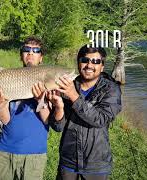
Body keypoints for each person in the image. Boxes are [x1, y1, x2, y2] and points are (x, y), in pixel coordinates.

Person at [47, 45, 122, 180]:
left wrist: (74, 96)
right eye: (85, 60)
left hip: (96, 164)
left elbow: (101, 119)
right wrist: (58, 106)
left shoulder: (111, 89)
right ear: (78, 63)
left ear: (102, 66)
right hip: (68, 161)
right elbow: (58, 127)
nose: (89, 65)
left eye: (96, 61)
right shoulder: (67, 86)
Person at [0, 36, 50, 180]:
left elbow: (48, 121)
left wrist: (41, 100)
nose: (31, 53)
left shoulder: (50, 82)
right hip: (4, 150)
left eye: (36, 50)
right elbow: (6, 120)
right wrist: (1, 103)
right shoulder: (10, 78)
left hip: (34, 155)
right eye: (26, 49)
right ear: (21, 55)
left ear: (41, 57)